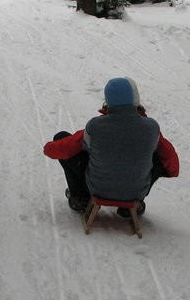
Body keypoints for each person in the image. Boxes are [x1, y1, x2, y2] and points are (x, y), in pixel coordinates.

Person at [44, 78, 179, 215]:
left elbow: (60, 149)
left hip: (98, 189)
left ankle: (81, 198)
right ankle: (131, 206)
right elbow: (173, 165)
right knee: (158, 156)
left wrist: (47, 147)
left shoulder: (95, 126)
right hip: (136, 192)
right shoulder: (151, 128)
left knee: (65, 141)